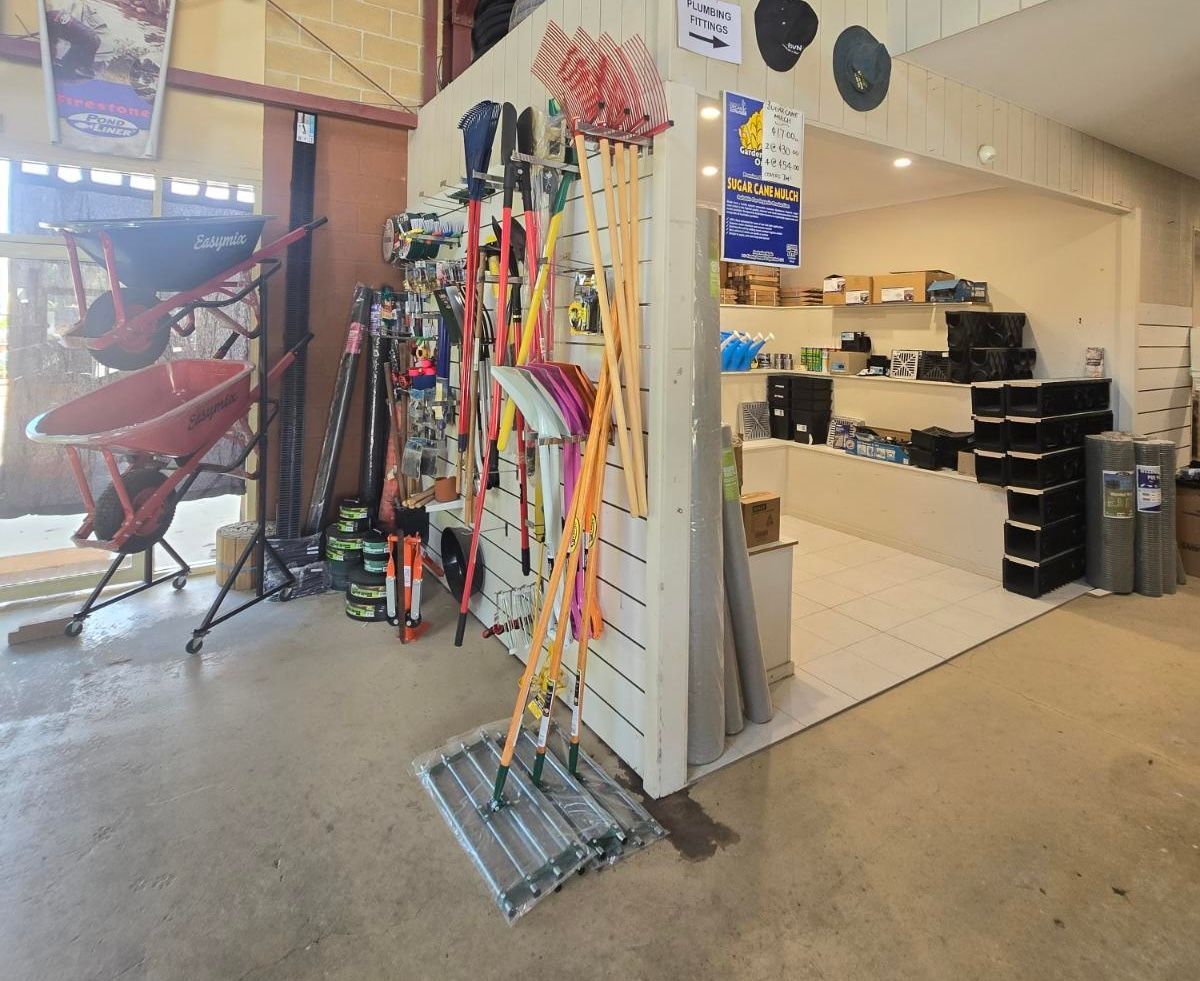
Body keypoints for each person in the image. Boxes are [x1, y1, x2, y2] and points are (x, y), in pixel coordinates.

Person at [47, 1, 103, 79]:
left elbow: (52, 48)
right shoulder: (54, 14)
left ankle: (82, 70)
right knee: (65, 64)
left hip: (88, 42)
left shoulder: (50, 21)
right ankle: (80, 69)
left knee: (67, 69)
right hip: (90, 39)